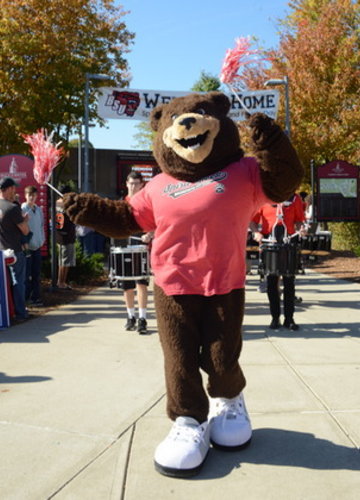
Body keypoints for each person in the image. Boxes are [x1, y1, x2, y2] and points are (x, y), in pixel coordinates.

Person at [251, 193, 306, 331]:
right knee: (271, 282)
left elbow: (299, 220)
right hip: (270, 243)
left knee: (289, 283)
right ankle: (275, 318)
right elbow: (252, 220)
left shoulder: (295, 199)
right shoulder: (263, 198)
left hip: (289, 243)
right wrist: (256, 232)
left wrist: (301, 229)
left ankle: (289, 319)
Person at [120, 171, 153, 334]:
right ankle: (130, 316)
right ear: (126, 184)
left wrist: (150, 234)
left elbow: (158, 223)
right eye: (131, 183)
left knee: (141, 283)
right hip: (125, 247)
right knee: (127, 285)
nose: (133, 187)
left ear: (142, 185)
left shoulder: (147, 203)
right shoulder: (121, 203)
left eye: (137, 184)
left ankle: (142, 318)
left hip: (141, 247)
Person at [0, 177, 30, 321]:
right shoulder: (12, 208)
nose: (15, 191)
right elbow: (25, 230)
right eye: (13, 188)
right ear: (9, 189)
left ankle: (6, 312)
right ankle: (20, 313)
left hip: (1, 251)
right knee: (18, 282)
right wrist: (24, 220)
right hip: (15, 251)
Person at [21, 186, 45, 305]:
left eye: (34, 195)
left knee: (36, 274)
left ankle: (36, 297)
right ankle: (26, 298)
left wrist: (42, 240)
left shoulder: (39, 209)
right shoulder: (22, 209)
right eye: (29, 195)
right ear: (25, 196)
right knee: (26, 275)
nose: (32, 197)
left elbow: (41, 226)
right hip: (27, 247)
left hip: (37, 246)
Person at [55, 186, 76, 289]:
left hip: (68, 236)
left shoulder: (62, 204)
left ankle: (63, 281)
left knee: (66, 261)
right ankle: (60, 282)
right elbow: (59, 224)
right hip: (64, 237)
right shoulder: (60, 204)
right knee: (63, 261)